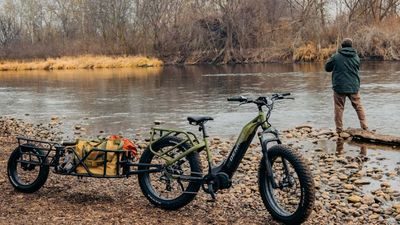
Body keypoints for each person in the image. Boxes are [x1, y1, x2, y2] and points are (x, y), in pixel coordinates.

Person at [325, 38, 368, 135]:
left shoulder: (336, 56)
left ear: (342, 46)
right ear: (351, 46)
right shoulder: (356, 57)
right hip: (353, 86)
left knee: (339, 108)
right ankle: (365, 126)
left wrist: (331, 58)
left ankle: (339, 130)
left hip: (339, 87)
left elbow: (327, 68)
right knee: (358, 106)